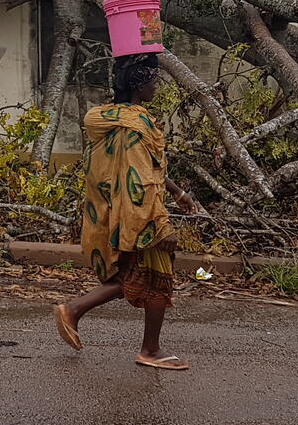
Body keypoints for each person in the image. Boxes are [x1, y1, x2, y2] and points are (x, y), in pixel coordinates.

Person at [52, 52, 198, 370]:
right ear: (138, 85)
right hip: (140, 214)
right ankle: (150, 350)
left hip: (117, 211)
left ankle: (73, 311)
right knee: (156, 279)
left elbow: (148, 166)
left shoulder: (114, 118)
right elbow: (141, 179)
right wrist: (161, 224)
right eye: (153, 81)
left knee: (131, 277)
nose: (156, 87)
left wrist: (178, 192)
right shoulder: (135, 125)